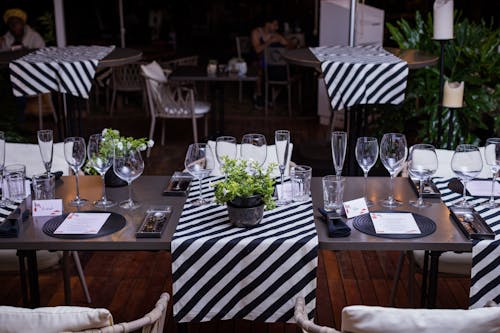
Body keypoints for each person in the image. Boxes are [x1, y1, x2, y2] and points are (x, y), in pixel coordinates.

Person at [250, 17, 288, 109]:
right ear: (267, 24)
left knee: (284, 72)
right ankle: (258, 96)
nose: (277, 28)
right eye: (275, 25)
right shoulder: (256, 32)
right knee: (260, 70)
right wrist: (269, 41)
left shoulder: (275, 35)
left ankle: (271, 98)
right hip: (258, 61)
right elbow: (257, 50)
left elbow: (287, 45)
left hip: (272, 63)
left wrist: (280, 39)